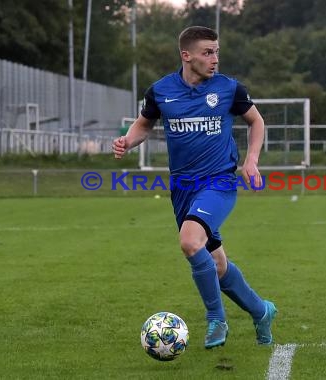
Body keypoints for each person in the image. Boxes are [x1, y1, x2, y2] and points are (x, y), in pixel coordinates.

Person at [112, 26, 276, 349]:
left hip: (220, 181)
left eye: (216, 51)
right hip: (183, 188)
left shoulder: (229, 89)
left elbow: (256, 122)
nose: (214, 59)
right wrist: (128, 141)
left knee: (189, 241)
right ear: (186, 56)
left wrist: (252, 160)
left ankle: (216, 319)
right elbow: (144, 123)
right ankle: (262, 311)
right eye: (207, 52)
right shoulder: (161, 91)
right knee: (216, 265)